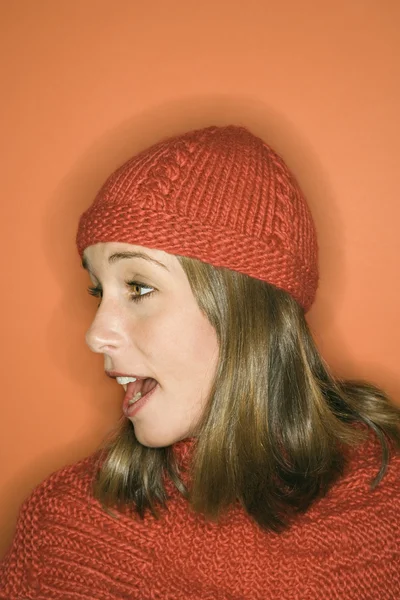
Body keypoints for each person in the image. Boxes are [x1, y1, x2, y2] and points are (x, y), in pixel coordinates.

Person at [1, 125, 399, 599]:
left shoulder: (385, 519)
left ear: (245, 312)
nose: (94, 335)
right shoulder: (64, 530)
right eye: (97, 291)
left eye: (139, 288)